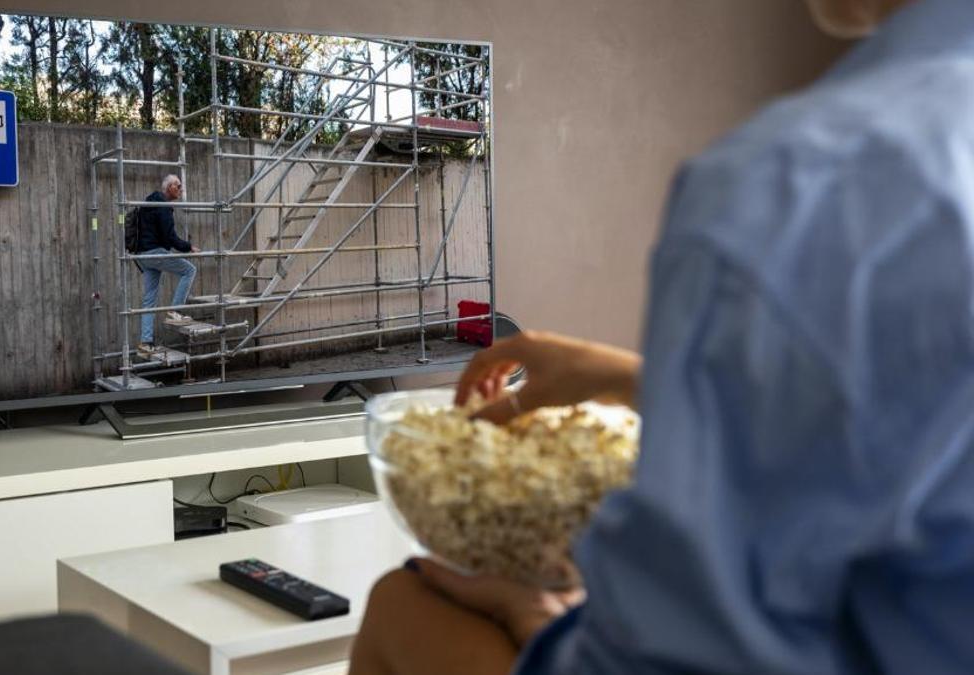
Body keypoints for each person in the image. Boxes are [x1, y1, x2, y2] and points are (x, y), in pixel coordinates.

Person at [350, 0, 974, 673]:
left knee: (400, 600)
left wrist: (526, 615)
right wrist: (627, 376)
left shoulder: (810, 178)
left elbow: (686, 655)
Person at [138, 174, 199, 354]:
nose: (181, 190)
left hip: (143, 255)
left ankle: (145, 342)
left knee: (149, 299)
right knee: (189, 270)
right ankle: (175, 311)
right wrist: (188, 247)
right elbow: (169, 237)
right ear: (170, 187)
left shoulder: (150, 203)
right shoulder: (163, 206)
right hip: (155, 252)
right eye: (179, 186)